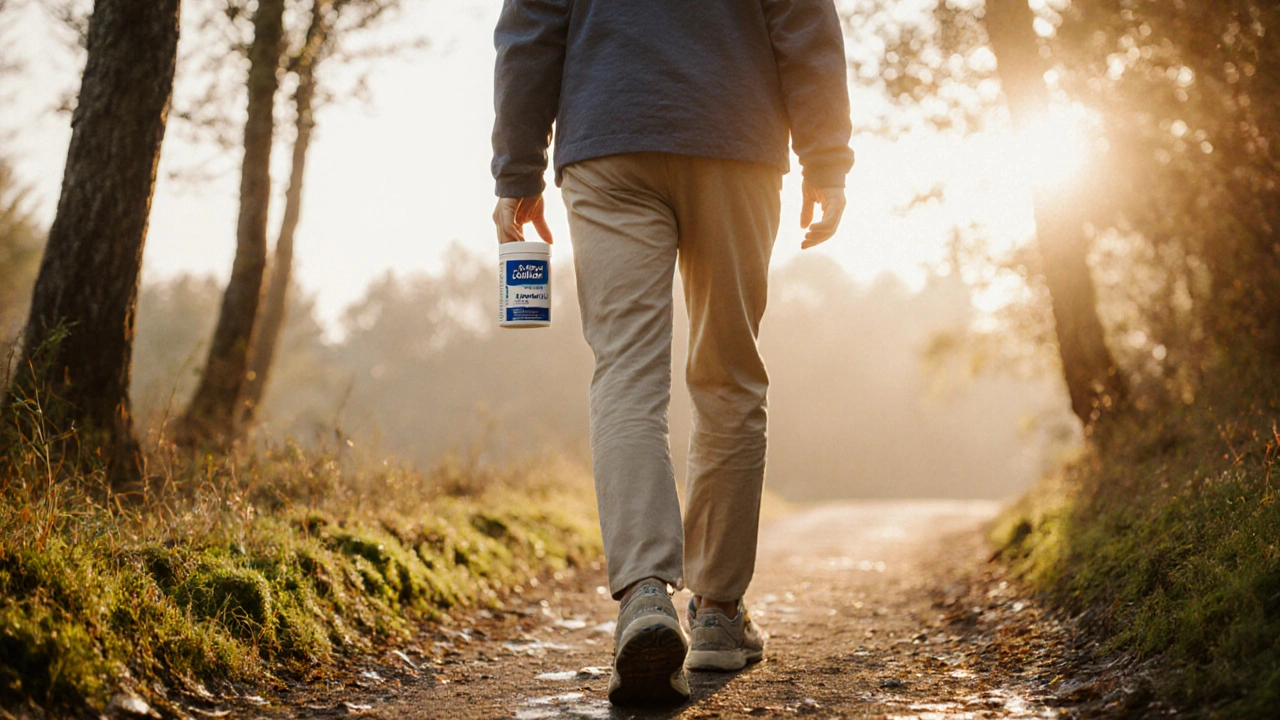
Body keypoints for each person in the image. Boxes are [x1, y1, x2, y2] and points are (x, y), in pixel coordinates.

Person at [491, 0, 854, 706]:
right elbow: (803, 19)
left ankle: (645, 596)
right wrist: (826, 159)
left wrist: (516, 172)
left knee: (626, 373)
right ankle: (718, 614)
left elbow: (530, 27)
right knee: (729, 373)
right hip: (735, 136)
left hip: (607, 137)